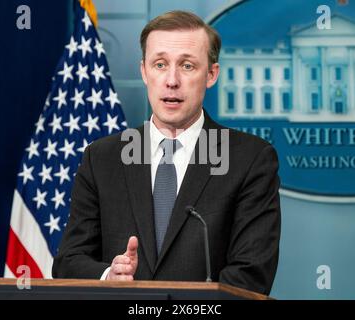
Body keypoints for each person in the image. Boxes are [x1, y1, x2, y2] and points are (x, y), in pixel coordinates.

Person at [52, 10, 281, 295]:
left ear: (211, 74)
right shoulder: (102, 158)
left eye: (187, 66)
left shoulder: (251, 159)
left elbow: (251, 274)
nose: (172, 80)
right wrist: (109, 274)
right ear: (144, 71)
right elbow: (68, 262)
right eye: (160, 64)